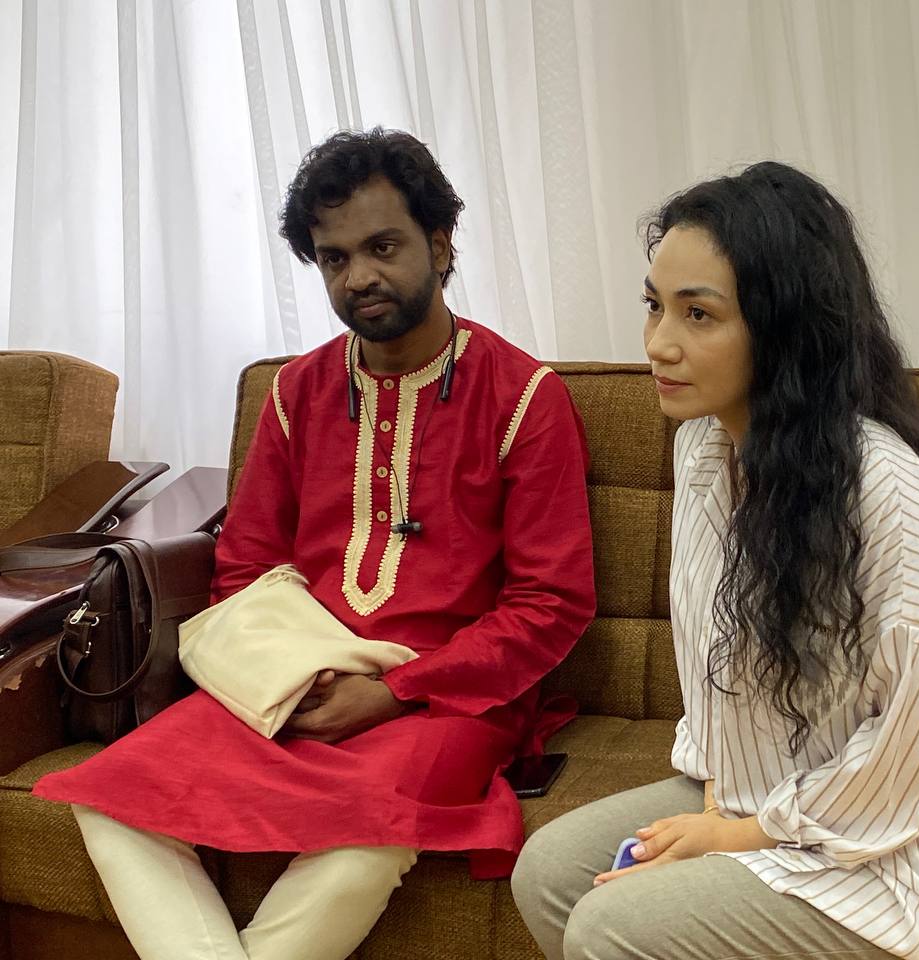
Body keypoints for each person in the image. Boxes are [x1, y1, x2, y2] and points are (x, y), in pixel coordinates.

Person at [35, 128, 596, 960]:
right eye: (335, 258)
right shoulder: (297, 392)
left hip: (446, 699)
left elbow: (552, 604)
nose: (358, 276)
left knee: (368, 837)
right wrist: (290, 679)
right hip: (293, 687)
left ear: (441, 245)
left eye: (382, 247)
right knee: (111, 797)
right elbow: (246, 568)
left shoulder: (524, 397)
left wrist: (394, 690)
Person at [511, 162, 919, 960]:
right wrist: (718, 806)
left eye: (699, 314)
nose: (659, 344)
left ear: (783, 328)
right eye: (655, 305)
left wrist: (740, 836)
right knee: (548, 874)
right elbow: (716, 679)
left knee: (609, 926)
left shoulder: (885, 487)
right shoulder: (703, 450)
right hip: (771, 792)